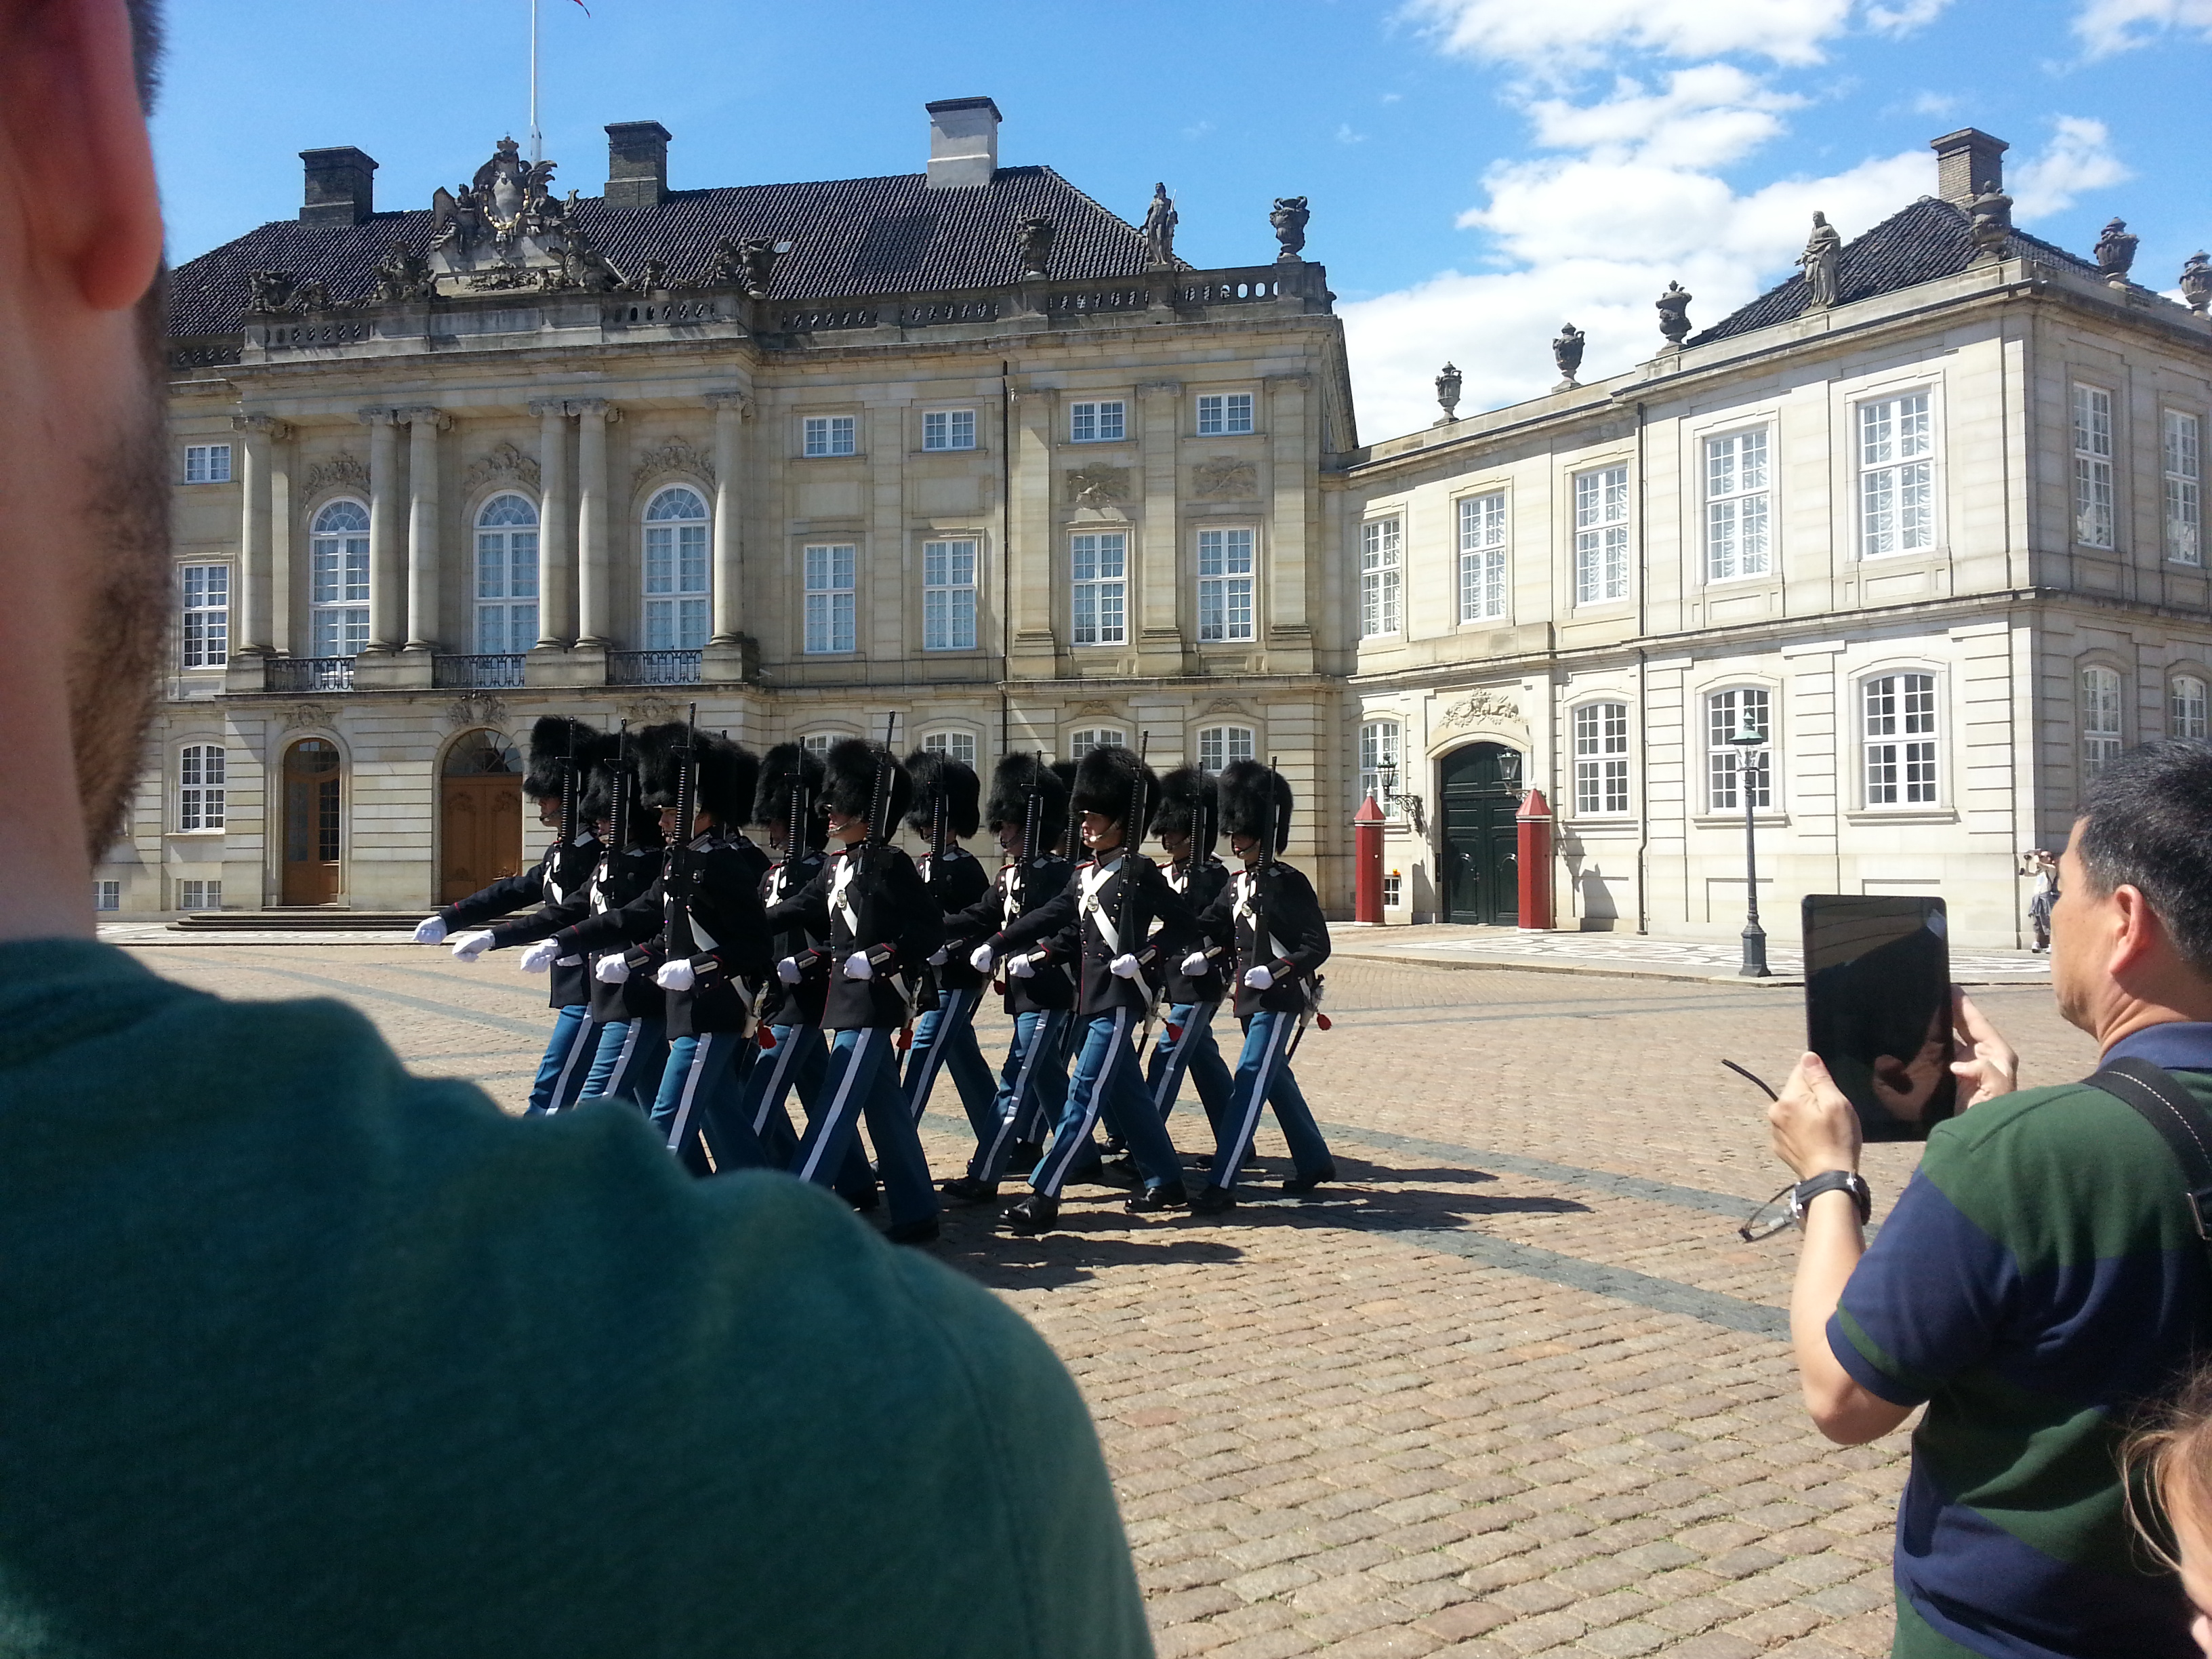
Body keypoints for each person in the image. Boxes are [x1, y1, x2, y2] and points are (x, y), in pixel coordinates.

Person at [0, 5, 1149, 1631]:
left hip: (815, 1002)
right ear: (86, 114)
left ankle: (893, 1183)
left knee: (844, 1097)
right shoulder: (912, 1429)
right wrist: (499, 915)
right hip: (715, 1022)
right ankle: (857, 1182)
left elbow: (850, 925)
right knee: (707, 1095)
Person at [1767, 737, 2212, 1658]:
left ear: (2126, 920)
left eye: (2060, 897)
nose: (2051, 924)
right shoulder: (2027, 1147)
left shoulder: (2021, 1158)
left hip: (2025, 1636)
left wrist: (1829, 1179)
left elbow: (1844, 1396)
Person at [975, 745, 1197, 1235]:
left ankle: (1044, 1192)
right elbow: (1053, 919)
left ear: (1122, 819)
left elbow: (1188, 925)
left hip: (1121, 998)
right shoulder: (1082, 875)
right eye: (1085, 815)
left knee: (1083, 1090)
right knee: (1124, 1091)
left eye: (1096, 816)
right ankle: (1167, 1179)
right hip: (1088, 997)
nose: (1086, 824)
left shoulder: (1138, 872)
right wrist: (1002, 942)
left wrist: (1147, 956)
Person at [766, 738, 945, 1244]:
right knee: (885, 1108)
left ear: (865, 811)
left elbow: (928, 931)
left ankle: (798, 1207)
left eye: (839, 805)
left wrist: (883, 955)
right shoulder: (835, 864)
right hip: (843, 1000)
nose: (829, 812)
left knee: (834, 1106)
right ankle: (916, 1210)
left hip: (872, 1001)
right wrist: (746, 922)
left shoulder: (891, 864)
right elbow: (798, 908)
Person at [427, 714, 603, 1115]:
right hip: (577, 982)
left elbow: (564, 915)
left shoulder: (594, 852)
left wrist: (496, 938)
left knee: (554, 1085)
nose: (540, 803)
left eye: (547, 795)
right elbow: (516, 890)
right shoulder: (563, 849)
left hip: (592, 985)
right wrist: (451, 918)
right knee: (628, 1094)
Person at [1184, 759, 1337, 1212]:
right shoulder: (1234, 884)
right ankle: (1314, 1160)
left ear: (1263, 832)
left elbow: (1317, 944)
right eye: (1232, 832)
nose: (1234, 840)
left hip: (1281, 996)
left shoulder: (1289, 882)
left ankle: (1223, 1180)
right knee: (1275, 1080)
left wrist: (1277, 969)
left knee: (1249, 1080)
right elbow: (1207, 925)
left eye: (1243, 831)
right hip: (1248, 997)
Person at [940, 753, 1078, 1204]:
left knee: (1015, 1080)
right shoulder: (1008, 875)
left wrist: (1038, 956)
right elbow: (981, 913)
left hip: (1047, 988)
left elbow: (1067, 928)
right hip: (1020, 991)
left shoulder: (1060, 873)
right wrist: (930, 928)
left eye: (1008, 827)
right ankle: (1085, 1155)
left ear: (1030, 826)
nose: (1000, 835)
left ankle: (985, 1174)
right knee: (1048, 1079)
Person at [899, 747, 998, 1143]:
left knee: (923, 1052)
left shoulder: (965, 866)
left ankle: (897, 1138)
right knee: (963, 1057)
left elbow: (982, 922)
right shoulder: (921, 864)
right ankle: (999, 1138)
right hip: (931, 977)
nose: (927, 829)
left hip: (958, 976)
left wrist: (950, 947)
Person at [1141, 766, 1233, 1139]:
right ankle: (1235, 1137)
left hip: (1200, 979)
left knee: (1167, 1057)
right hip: (1171, 977)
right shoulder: (1166, 873)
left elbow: (1221, 930)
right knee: (1203, 1059)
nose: (1166, 838)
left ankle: (1145, 1141)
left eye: (1174, 830)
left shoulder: (1214, 876)